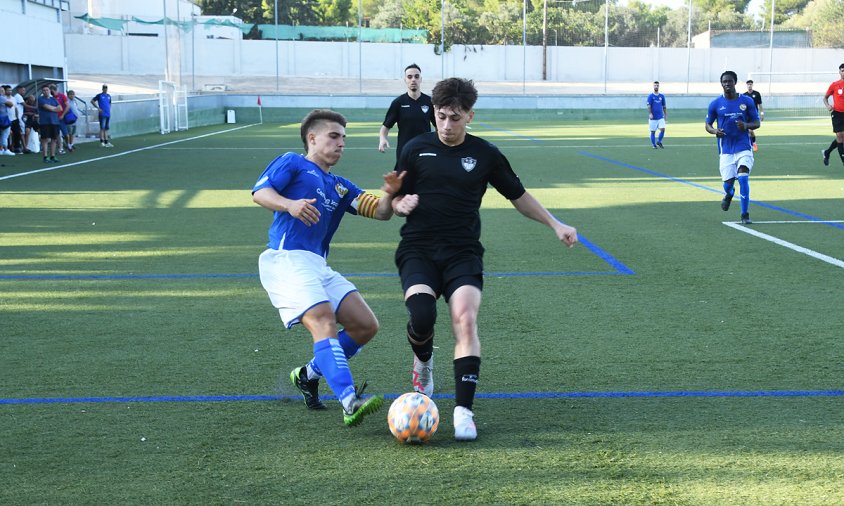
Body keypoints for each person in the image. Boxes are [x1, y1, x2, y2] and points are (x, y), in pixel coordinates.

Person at [390, 77, 579, 441]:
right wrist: (401, 204)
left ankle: (463, 411)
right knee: (422, 316)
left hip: (462, 252)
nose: (446, 125)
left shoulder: (486, 154)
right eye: (441, 116)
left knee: (465, 319)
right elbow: (395, 198)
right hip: (419, 249)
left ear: (470, 116)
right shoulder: (415, 148)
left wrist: (555, 224)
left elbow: (518, 195)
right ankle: (424, 362)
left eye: (455, 118)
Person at [252, 109, 415, 427]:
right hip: (287, 259)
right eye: (334, 136)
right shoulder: (293, 162)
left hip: (318, 265)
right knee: (324, 320)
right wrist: (290, 204)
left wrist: (390, 192)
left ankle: (307, 374)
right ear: (312, 138)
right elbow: (260, 192)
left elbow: (381, 213)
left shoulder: (340, 186)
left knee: (365, 326)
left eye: (344, 138)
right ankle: (349, 400)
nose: (341, 143)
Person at [705, 70, 761, 225]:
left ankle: (745, 214)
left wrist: (746, 125)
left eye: (729, 81)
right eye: (724, 82)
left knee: (743, 178)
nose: (727, 84)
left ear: (735, 82)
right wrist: (715, 131)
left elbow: (757, 123)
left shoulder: (747, 102)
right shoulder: (715, 104)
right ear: (721, 84)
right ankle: (729, 194)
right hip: (726, 150)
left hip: (743, 146)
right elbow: (707, 125)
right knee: (727, 184)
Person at [378, 63, 436, 163]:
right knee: (403, 178)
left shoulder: (429, 102)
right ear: (405, 80)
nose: (413, 79)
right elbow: (385, 127)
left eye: (416, 76)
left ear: (420, 79)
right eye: (410, 77)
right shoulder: (398, 103)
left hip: (425, 150)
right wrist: (382, 139)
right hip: (404, 151)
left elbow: (439, 126)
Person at [822, 63, 844, 167]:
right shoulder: (835, 85)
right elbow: (825, 97)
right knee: (840, 136)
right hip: (837, 113)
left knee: (842, 137)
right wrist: (828, 106)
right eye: (842, 70)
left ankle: (827, 152)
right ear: (839, 72)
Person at [37, 84, 62, 163]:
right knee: (45, 140)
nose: (45, 91)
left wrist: (53, 108)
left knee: (54, 139)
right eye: (44, 90)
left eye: (47, 90)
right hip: (45, 122)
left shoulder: (53, 99)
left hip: (54, 122)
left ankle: (52, 156)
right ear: (42, 91)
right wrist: (54, 108)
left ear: (49, 90)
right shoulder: (40, 99)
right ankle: (45, 157)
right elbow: (47, 107)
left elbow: (60, 108)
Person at [744, 80, 764, 152]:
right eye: (748, 84)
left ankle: (753, 143)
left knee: (750, 130)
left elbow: (760, 105)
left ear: (752, 85)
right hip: (746, 115)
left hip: (754, 115)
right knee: (747, 131)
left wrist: (762, 114)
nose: (749, 85)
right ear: (746, 85)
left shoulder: (757, 94)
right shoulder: (744, 95)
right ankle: (751, 144)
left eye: (750, 84)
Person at [646, 81, 667, 149]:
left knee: (663, 129)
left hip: (660, 117)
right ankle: (654, 145)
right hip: (653, 118)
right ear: (653, 86)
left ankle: (659, 141)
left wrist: (665, 114)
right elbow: (648, 106)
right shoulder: (650, 96)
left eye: (657, 85)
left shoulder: (662, 96)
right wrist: (650, 113)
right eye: (655, 85)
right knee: (653, 132)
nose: (656, 87)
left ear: (659, 86)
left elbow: (664, 106)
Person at [0, 88, 13, 156]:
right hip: (3, 118)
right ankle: (5, 149)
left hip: (3, 117)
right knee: (5, 134)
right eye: (1, 90)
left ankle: (1, 149)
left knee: (2, 135)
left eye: (3, 90)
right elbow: (11, 104)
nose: (3, 92)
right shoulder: (2, 98)